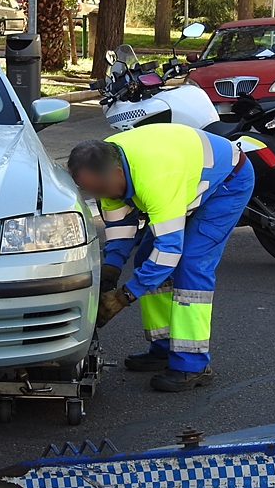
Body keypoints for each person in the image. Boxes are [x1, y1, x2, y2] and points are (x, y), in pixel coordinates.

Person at [67, 124, 254, 392]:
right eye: (90, 191)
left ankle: (193, 365)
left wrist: (123, 297)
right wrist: (110, 272)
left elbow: (168, 253)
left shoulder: (154, 179)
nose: (99, 197)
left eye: (99, 190)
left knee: (191, 264)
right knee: (145, 257)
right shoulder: (105, 165)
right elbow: (121, 231)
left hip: (226, 183)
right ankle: (165, 348)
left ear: (118, 173)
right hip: (183, 177)